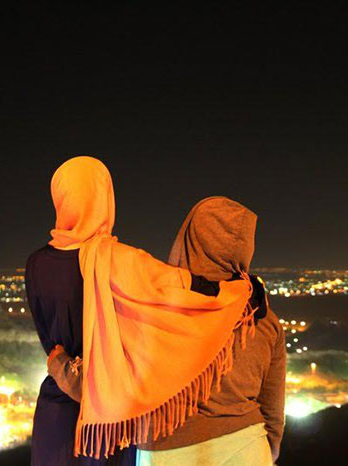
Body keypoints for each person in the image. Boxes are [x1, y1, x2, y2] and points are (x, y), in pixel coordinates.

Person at [25, 157, 254, 465]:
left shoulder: (35, 264)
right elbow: (185, 290)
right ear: (105, 197)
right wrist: (241, 290)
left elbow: (49, 338)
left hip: (55, 408)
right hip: (108, 419)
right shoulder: (121, 261)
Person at [49, 196, 287, 465]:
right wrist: (265, 453)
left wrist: (61, 367)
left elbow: (115, 391)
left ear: (189, 239)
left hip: (168, 454)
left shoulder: (156, 310)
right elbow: (273, 413)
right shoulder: (262, 316)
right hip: (248, 449)